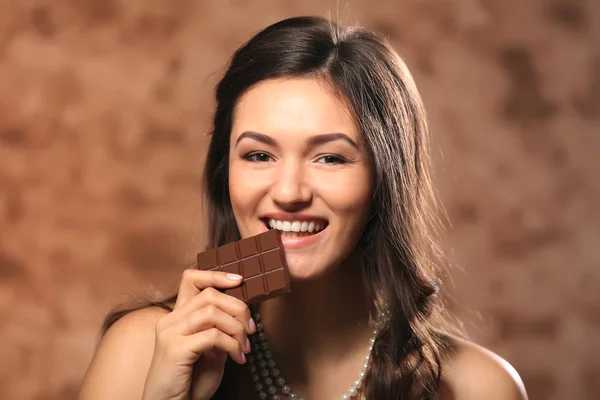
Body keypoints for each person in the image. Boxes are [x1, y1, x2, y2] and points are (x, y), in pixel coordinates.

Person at [79, 16, 528, 400]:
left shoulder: (476, 387)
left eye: (329, 157)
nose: (289, 192)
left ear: (384, 179)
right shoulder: (141, 351)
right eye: (259, 155)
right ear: (226, 173)